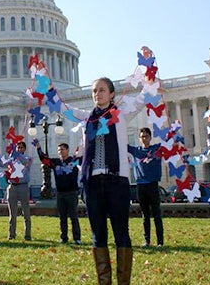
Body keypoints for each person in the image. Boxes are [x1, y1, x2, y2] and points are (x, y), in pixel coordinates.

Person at [70, 77, 145, 285]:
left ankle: (123, 282)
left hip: (116, 182)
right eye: (95, 91)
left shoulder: (121, 115)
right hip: (93, 183)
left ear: (112, 94)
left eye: (102, 90)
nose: (97, 94)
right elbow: (63, 108)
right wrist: (47, 88)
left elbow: (142, 99)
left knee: (121, 233)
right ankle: (104, 282)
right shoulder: (87, 119)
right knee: (98, 235)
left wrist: (150, 74)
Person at [36, 141, 82, 244]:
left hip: (72, 192)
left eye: (62, 149)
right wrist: (39, 147)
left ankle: (77, 238)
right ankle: (64, 237)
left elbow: (86, 158)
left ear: (67, 150)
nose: (60, 152)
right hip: (60, 193)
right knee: (62, 217)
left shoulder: (74, 161)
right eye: (58, 150)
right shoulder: (56, 162)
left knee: (74, 216)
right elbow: (44, 159)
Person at [128, 127, 164, 248]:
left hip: (153, 184)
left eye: (146, 136)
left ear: (150, 137)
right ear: (139, 138)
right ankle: (147, 241)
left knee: (156, 214)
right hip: (141, 185)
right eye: (142, 136)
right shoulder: (136, 151)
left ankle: (160, 241)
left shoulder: (156, 149)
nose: (144, 139)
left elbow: (169, 142)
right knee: (145, 215)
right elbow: (122, 144)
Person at [0, 141, 33, 241]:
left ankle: (27, 235)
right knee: (12, 213)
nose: (19, 149)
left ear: (24, 149)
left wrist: (17, 154)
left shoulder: (28, 158)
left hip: (23, 186)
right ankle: (11, 235)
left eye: (21, 147)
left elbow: (25, 163)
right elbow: (2, 164)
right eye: (18, 147)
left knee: (26, 212)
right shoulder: (12, 159)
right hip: (12, 187)